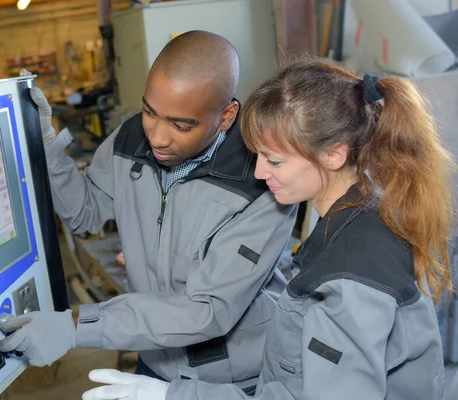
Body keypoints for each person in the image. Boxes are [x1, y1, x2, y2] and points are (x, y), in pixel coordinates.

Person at [81, 60, 454, 400]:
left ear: (334, 155)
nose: (259, 173)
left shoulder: (352, 272)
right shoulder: (363, 212)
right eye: (257, 155)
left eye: (274, 160)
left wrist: (173, 397)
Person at [0, 30, 297, 395]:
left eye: (181, 124)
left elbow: (207, 311)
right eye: (150, 112)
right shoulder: (130, 140)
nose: (157, 136)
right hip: (155, 358)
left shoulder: (261, 180)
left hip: (232, 380)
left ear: (226, 116)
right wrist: (46, 144)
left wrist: (78, 325)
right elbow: (85, 213)